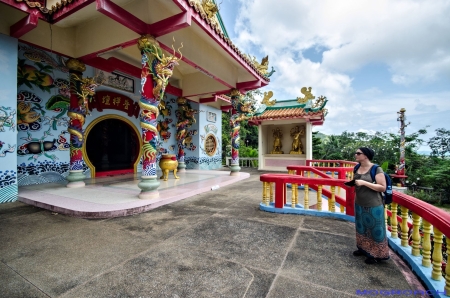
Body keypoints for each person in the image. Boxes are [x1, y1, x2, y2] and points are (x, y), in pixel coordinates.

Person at [352, 147, 390, 264]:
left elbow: (382, 187)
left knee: (374, 229)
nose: (356, 155)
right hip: (359, 202)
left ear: (366, 156)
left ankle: (375, 254)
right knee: (361, 228)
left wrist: (364, 183)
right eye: (356, 153)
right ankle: (363, 249)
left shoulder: (376, 169)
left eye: (358, 153)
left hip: (374, 204)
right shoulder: (357, 167)